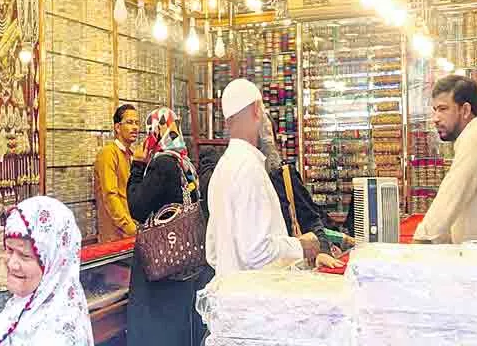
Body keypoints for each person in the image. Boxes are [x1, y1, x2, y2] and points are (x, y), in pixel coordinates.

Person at [206, 78, 320, 277]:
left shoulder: (223, 168)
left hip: (230, 295)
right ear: (257, 110)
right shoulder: (249, 168)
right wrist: (300, 247)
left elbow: (212, 252)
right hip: (253, 299)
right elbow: (256, 252)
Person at [126, 106, 212, 346]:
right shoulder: (185, 163)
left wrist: (137, 167)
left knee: (156, 328)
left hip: (162, 261)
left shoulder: (162, 164)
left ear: (154, 131)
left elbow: (138, 208)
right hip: (185, 261)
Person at [0, 196, 93, 346]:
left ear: (53, 263)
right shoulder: (26, 302)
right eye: (9, 249)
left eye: (25, 255)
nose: (12, 264)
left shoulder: (58, 335)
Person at [258, 113, 349, 268]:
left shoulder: (284, 176)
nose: (264, 142)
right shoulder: (239, 177)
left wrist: (323, 251)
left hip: (288, 269)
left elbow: (311, 219)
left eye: (268, 135)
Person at [414, 75, 477, 244]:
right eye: (435, 110)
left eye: (443, 109)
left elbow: (450, 197)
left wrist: (419, 243)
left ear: (465, 110)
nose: (435, 118)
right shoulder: (475, 135)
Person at [94, 104, 140, 243]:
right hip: (116, 235)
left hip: (132, 231)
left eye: (137, 123)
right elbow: (110, 195)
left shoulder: (133, 154)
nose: (135, 127)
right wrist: (130, 227)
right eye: (130, 122)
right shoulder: (108, 153)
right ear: (117, 127)